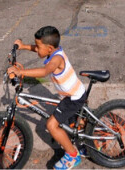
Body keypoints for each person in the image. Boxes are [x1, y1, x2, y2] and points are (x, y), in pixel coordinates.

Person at [7, 27, 85, 169]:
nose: (36, 49)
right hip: (72, 93)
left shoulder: (57, 59)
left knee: (51, 125)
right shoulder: (53, 50)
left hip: (73, 98)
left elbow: (44, 71)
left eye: (38, 46)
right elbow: (38, 49)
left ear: (49, 48)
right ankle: (83, 138)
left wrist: (19, 72)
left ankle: (73, 155)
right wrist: (23, 46)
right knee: (73, 125)